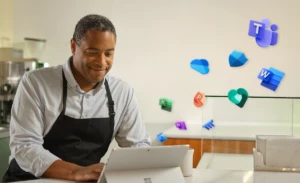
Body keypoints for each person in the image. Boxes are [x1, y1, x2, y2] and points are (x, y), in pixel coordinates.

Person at [2, 14, 151, 182]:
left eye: (108, 54)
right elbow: (25, 146)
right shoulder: (36, 83)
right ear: (73, 46)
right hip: (29, 179)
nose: (102, 62)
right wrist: (76, 172)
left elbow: (139, 146)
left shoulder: (122, 92)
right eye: (92, 52)